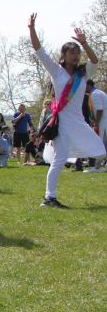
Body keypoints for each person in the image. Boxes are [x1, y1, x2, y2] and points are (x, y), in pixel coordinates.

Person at [28, 13, 105, 208]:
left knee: (100, 150)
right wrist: (31, 29)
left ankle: (50, 197)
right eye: (72, 52)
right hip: (61, 123)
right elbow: (39, 50)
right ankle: (49, 197)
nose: (76, 55)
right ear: (64, 55)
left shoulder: (83, 73)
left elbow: (95, 61)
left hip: (78, 122)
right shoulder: (56, 70)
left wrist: (85, 43)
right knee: (59, 160)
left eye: (78, 53)